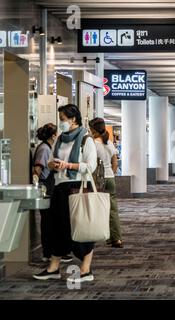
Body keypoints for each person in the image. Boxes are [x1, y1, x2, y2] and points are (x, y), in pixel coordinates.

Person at [33, 104, 98, 282]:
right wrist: (52, 165)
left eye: (62, 119)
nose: (60, 123)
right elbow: (51, 162)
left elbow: (90, 166)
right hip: (60, 186)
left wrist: (69, 165)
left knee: (81, 228)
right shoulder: (61, 139)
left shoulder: (86, 139)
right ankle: (53, 268)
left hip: (79, 186)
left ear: (73, 119)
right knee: (57, 228)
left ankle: (85, 270)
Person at [33, 124, 74, 264]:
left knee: (53, 221)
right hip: (46, 186)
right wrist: (36, 186)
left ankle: (56, 251)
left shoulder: (49, 148)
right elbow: (37, 169)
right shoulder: (44, 149)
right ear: (53, 135)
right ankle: (48, 252)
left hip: (50, 185)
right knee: (48, 221)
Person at [89, 118, 123, 248]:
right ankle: (116, 238)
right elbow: (115, 162)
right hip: (110, 178)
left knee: (97, 209)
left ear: (93, 130)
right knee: (113, 210)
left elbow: (91, 165)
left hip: (98, 180)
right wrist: (111, 174)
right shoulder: (109, 143)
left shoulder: (93, 144)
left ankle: (94, 236)